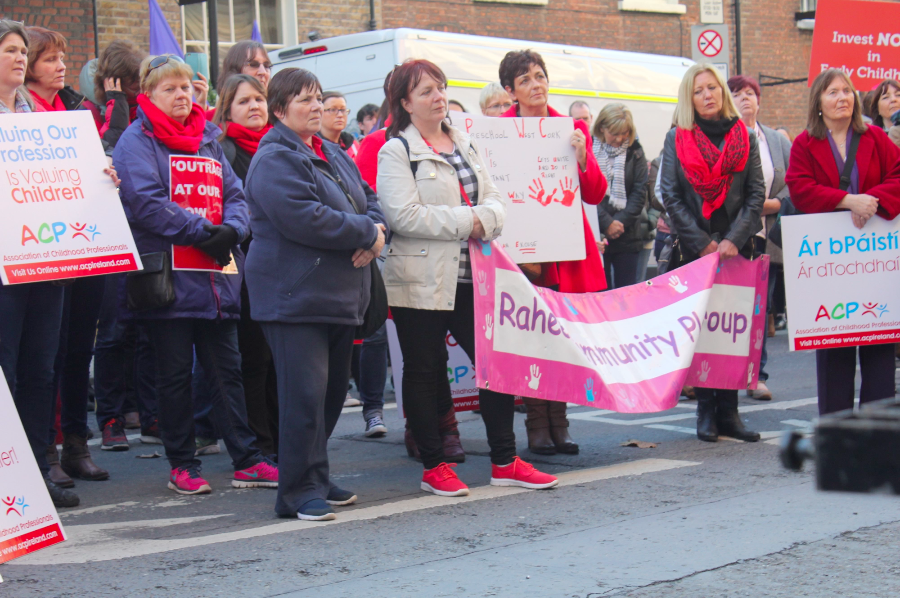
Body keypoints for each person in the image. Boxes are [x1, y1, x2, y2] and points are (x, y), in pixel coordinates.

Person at [378, 58, 558, 496]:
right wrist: (470, 221)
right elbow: (404, 216)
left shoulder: (463, 141)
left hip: (474, 277)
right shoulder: (396, 150)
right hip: (420, 280)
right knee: (424, 372)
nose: (438, 97)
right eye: (426, 91)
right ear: (405, 103)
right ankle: (434, 466)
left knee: (496, 367)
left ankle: (505, 461)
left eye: (440, 87)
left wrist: (485, 218)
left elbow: (496, 201)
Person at [113, 54, 278, 494]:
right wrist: (204, 232)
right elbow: (145, 201)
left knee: (228, 371)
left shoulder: (208, 138)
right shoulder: (135, 141)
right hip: (168, 279)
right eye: (169, 89)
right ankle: (182, 464)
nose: (181, 95)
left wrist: (233, 230)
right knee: (174, 376)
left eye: (185, 87)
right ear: (149, 95)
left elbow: (236, 195)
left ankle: (247, 459)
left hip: (214, 276)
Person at [243, 67, 388, 521]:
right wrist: (366, 233)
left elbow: (369, 198)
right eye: (305, 99)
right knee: (303, 398)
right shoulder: (274, 158)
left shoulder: (330, 150)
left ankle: (315, 476)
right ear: (279, 109)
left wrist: (376, 229)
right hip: (294, 296)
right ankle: (296, 492)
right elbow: (304, 217)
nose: (316, 107)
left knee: (328, 397)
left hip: (338, 295)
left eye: (318, 98)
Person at [499, 49, 608, 455]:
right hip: (522, 249)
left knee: (561, 335)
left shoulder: (572, 127)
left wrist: (582, 157)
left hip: (564, 248)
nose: (536, 85)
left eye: (540, 75)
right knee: (530, 335)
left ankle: (559, 422)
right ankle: (536, 423)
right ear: (510, 90)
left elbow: (594, 194)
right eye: (525, 79)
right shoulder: (498, 131)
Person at [660, 63, 765, 443]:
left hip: (737, 247)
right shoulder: (677, 137)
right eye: (699, 90)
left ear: (722, 91)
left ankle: (730, 413)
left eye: (713, 87)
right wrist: (701, 242)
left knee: (732, 328)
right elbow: (670, 194)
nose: (707, 95)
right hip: (696, 250)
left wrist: (734, 238)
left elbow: (756, 193)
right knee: (703, 330)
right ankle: (705, 410)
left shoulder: (744, 136)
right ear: (689, 98)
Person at [785, 68, 900, 415]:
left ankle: (876, 436)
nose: (842, 98)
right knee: (833, 352)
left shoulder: (875, 137)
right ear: (818, 102)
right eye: (833, 92)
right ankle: (836, 432)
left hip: (873, 261)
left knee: (879, 349)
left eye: (847, 91)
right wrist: (848, 201)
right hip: (829, 267)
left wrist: (872, 201)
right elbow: (799, 188)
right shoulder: (805, 143)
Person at [24, 25, 109, 487]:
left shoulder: (76, 111)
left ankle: (77, 442)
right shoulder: (19, 114)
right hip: (42, 245)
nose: (61, 66)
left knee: (79, 348)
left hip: (83, 241)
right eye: (50, 59)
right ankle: (48, 447)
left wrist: (105, 172)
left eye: (62, 58)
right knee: (48, 355)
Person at [0, 19, 79, 509]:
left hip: (46, 261)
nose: (19, 58)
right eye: (9, 50)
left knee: (38, 372)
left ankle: (33, 476)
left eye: (21, 50)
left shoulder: (39, 117)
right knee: (5, 373)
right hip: (4, 267)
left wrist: (97, 176)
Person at [91, 40, 159, 451]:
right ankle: (111, 417)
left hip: (145, 232)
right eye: (133, 83)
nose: (138, 90)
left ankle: (147, 412)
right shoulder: (91, 113)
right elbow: (107, 158)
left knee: (146, 330)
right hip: (111, 235)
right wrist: (115, 110)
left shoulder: (146, 116)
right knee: (114, 332)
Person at [210, 73, 279, 459]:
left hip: (283, 269)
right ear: (227, 109)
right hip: (244, 267)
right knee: (253, 360)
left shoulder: (279, 145)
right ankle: (259, 446)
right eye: (244, 101)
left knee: (279, 361)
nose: (254, 106)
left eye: (259, 99)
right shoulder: (223, 150)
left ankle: (282, 443)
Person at [728, 75, 793, 401]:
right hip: (731, 236)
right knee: (730, 309)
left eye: (750, 93)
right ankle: (724, 375)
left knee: (760, 306)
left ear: (759, 99)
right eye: (737, 94)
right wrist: (753, 205)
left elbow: (794, 181)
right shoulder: (724, 136)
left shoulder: (776, 140)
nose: (745, 98)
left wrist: (774, 204)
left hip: (768, 235)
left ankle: (757, 375)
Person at [592, 103, 648, 289]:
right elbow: (584, 191)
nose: (620, 138)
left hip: (627, 233)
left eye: (624, 133)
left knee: (627, 293)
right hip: (596, 234)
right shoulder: (588, 149)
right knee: (601, 292)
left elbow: (640, 192)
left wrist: (618, 223)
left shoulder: (635, 151)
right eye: (614, 133)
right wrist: (606, 223)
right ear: (601, 128)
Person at [93, 40, 146, 156]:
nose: (141, 92)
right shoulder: (90, 113)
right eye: (135, 89)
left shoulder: (146, 108)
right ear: (112, 82)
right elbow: (109, 152)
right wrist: (118, 111)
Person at [320, 91, 359, 157]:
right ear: (319, 113)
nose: (340, 115)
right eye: (333, 110)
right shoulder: (314, 147)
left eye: (343, 110)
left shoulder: (353, 145)